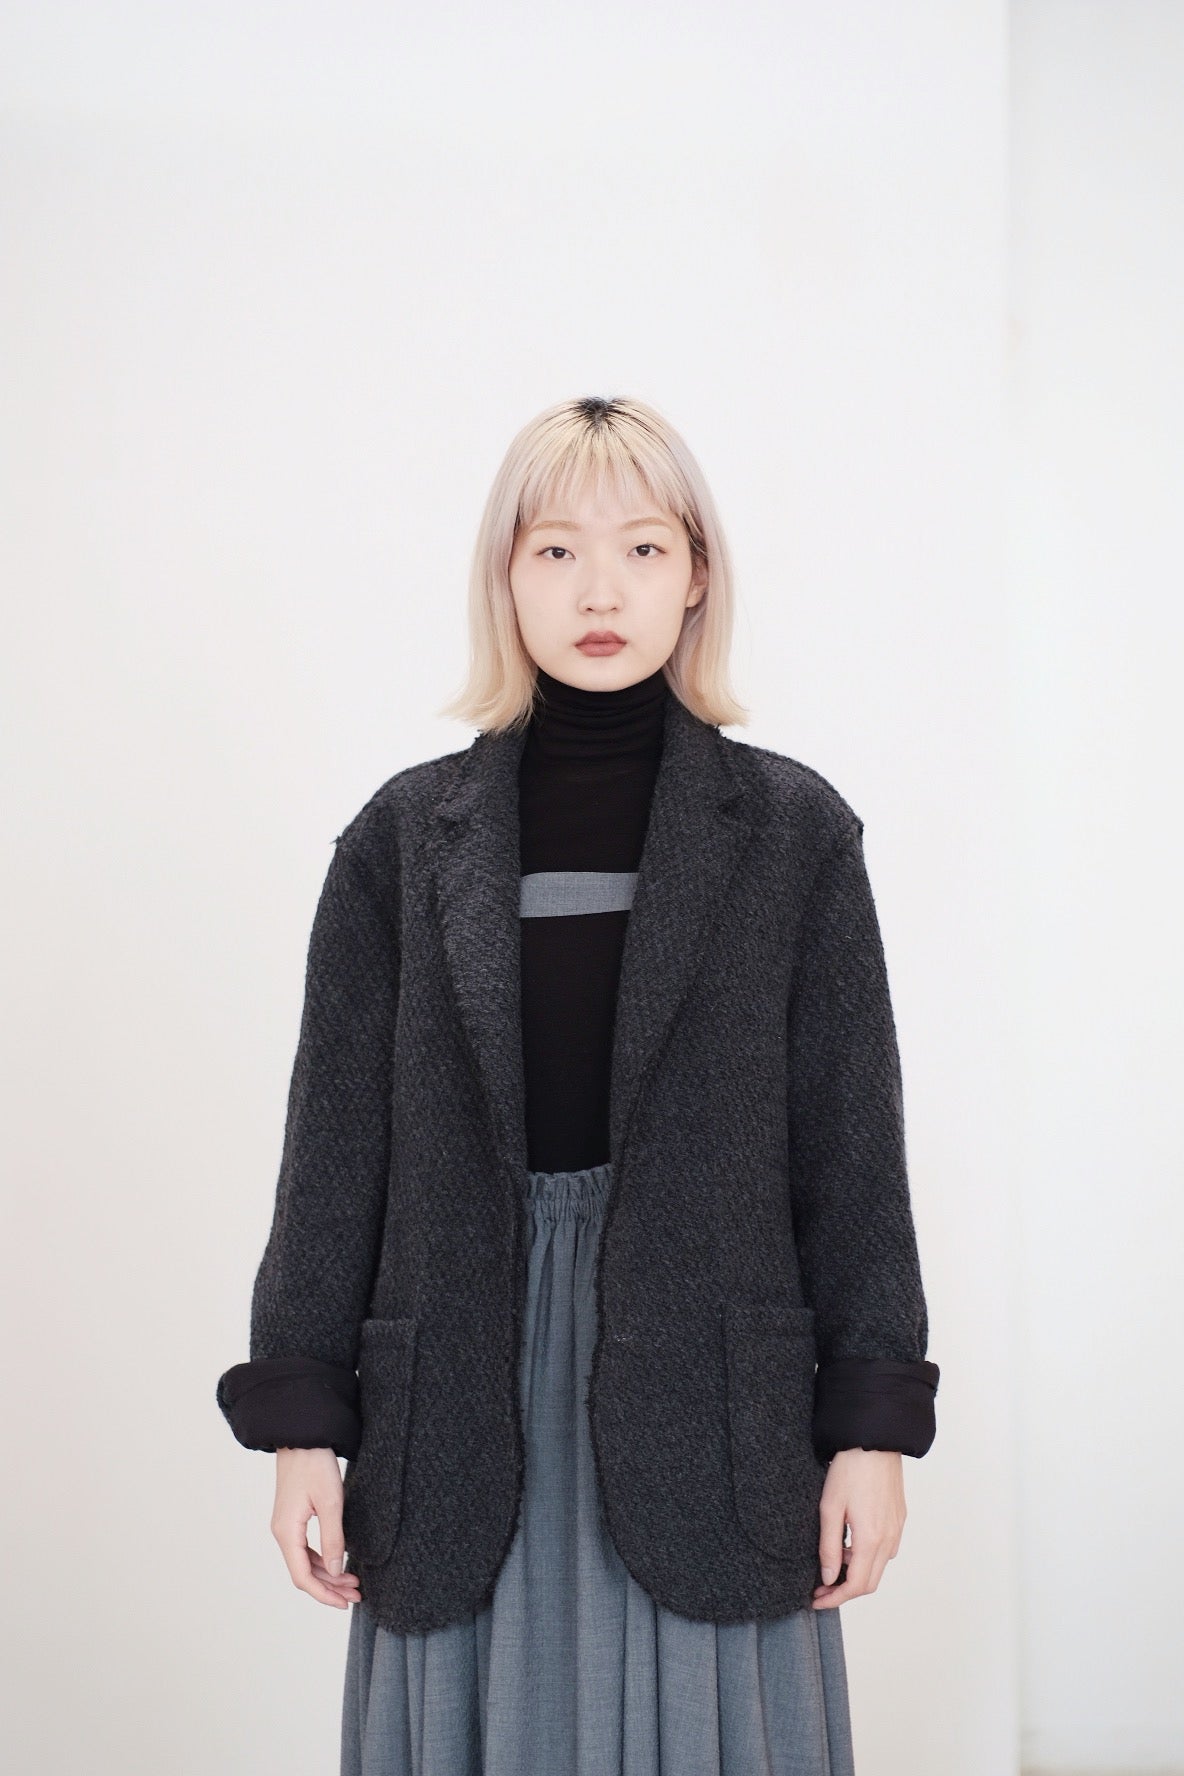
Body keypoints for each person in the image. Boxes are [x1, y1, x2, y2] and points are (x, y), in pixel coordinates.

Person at [216, 395, 941, 1775]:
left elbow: (852, 1157)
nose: (599, 591)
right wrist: (303, 1428)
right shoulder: (401, 843)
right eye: (555, 551)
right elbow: (333, 1157)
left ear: (697, 575)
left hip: (716, 1398)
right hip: (459, 1390)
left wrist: (872, 1433)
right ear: (505, 575)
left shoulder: (792, 836)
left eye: (643, 549)